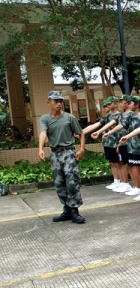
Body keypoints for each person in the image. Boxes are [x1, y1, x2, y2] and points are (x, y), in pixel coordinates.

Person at [38, 90, 86, 224]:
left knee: (72, 181)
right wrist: (40, 148)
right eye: (56, 101)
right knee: (59, 183)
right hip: (55, 154)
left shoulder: (69, 118)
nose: (59, 104)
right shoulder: (45, 119)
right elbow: (43, 133)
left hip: (68, 152)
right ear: (49, 102)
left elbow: (80, 133)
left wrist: (82, 149)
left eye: (60, 101)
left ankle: (74, 210)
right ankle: (67, 209)